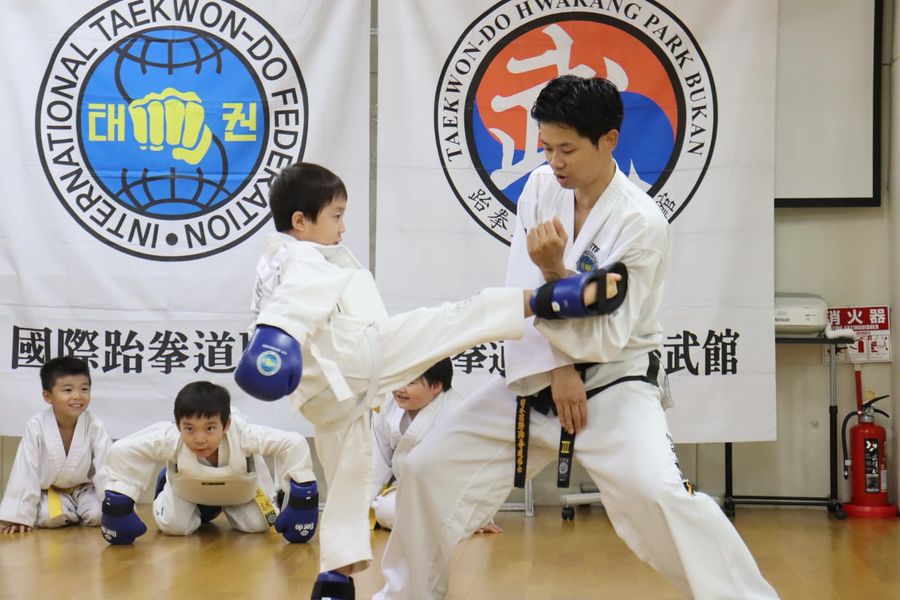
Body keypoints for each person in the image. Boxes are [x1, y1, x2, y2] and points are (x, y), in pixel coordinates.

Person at [375, 75, 779, 599]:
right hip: (539, 379)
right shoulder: (541, 189)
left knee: (658, 494)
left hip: (616, 382)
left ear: (608, 139)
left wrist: (557, 271)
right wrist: (558, 367)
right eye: (546, 147)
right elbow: (521, 294)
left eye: (567, 149)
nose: (555, 161)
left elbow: (609, 332)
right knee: (427, 467)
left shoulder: (640, 224)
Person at [234, 162, 625, 599]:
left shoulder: (277, 258)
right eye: (336, 216)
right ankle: (547, 298)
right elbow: (295, 300)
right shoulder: (299, 254)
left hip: (326, 395)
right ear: (300, 221)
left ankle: (336, 577)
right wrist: (274, 343)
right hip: (353, 357)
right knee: (448, 322)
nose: (344, 227)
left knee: (348, 474)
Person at [98, 381, 318, 546]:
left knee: (257, 526)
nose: (200, 439)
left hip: (240, 491)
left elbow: (293, 443)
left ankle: (210, 507)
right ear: (177, 425)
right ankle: (168, 482)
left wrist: (301, 499)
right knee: (174, 527)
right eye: (189, 428)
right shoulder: (170, 438)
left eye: (210, 428)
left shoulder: (245, 434)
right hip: (187, 489)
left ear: (227, 424)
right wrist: (119, 503)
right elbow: (122, 450)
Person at [369, 358, 501, 534]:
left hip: (449, 494)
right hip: (407, 490)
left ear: (436, 386)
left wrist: (480, 515)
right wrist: (364, 507)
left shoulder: (457, 413)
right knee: (384, 509)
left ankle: (459, 522)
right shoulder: (386, 406)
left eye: (410, 383)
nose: (400, 389)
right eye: (398, 380)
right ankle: (447, 525)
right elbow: (378, 462)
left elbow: (476, 470)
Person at [0, 357, 111, 534]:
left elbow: (106, 467)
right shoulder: (37, 425)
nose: (77, 396)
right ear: (48, 396)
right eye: (68, 390)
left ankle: (74, 510)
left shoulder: (94, 424)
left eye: (84, 389)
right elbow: (26, 469)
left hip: (85, 490)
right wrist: (18, 516)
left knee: (99, 515)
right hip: (53, 492)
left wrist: (117, 507)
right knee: (48, 517)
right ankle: (69, 510)